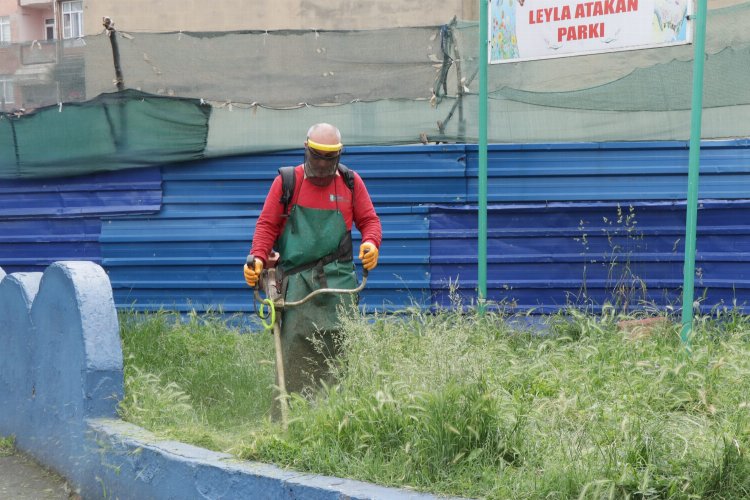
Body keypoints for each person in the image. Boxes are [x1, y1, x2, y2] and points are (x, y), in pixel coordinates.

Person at [243, 123, 382, 404]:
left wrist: (371, 243)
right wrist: (257, 258)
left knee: (338, 351)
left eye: (329, 158)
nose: (322, 163)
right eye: (317, 156)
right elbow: (267, 226)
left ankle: (333, 417)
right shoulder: (287, 182)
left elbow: (369, 221)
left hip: (339, 281)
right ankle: (289, 418)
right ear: (306, 150)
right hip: (295, 283)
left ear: (339, 156)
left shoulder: (351, 183)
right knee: (295, 351)